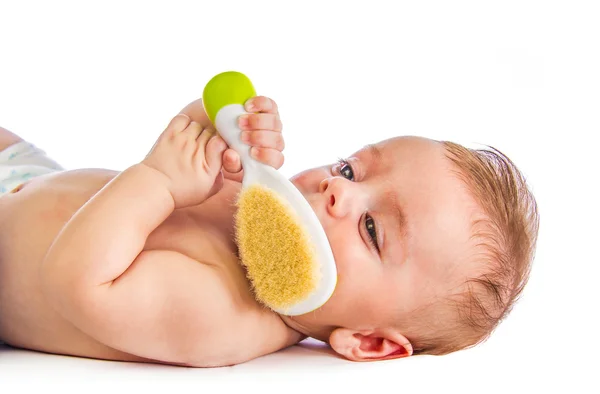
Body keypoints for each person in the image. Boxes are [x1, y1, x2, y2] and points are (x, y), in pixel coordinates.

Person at [0, 95, 539, 367]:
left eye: (372, 228)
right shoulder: (254, 205)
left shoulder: (224, 314)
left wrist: (161, 181)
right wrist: (224, 125)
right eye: (350, 169)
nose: (338, 190)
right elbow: (187, 136)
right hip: (31, 176)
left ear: (370, 342)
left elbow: (72, 280)